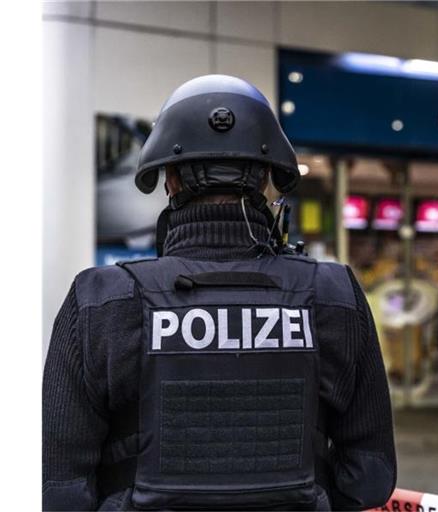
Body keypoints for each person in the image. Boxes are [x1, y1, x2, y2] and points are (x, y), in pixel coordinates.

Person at [43, 75, 396, 511]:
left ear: (169, 179)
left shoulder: (101, 301)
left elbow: (60, 491)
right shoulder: (333, 295)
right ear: (268, 177)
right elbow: (371, 477)